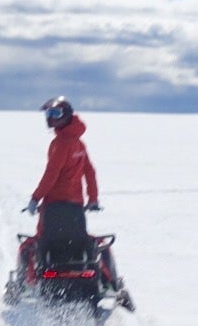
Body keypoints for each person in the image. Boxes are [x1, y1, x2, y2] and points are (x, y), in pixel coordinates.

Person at [17, 96, 130, 306]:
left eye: (55, 114)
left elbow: (52, 174)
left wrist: (35, 199)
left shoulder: (60, 143)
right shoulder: (78, 142)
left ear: (67, 116)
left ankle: (26, 285)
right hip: (75, 208)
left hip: (53, 207)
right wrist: (93, 198)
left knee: (34, 244)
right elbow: (90, 171)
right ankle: (111, 282)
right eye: (49, 114)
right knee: (85, 241)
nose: (51, 119)